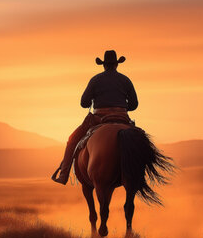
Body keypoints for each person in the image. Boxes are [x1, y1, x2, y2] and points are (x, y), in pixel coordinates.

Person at [51, 50, 138, 184]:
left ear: (103, 65)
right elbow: (134, 104)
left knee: (72, 140)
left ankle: (63, 175)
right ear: (116, 65)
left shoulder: (96, 79)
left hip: (99, 118)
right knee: (141, 139)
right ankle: (142, 173)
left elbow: (83, 102)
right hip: (122, 117)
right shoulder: (125, 80)